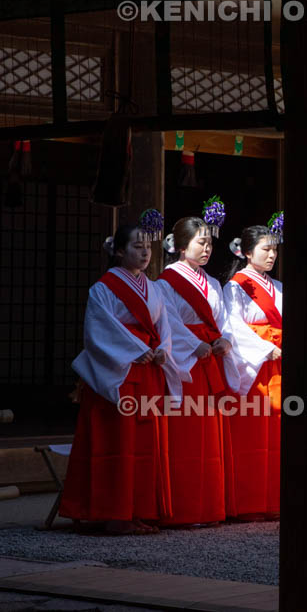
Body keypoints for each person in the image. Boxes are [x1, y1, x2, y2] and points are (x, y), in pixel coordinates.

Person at [60, 211, 184, 535]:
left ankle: (139, 510)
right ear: (118, 251)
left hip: (148, 370)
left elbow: (164, 327)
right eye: (136, 247)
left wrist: (163, 350)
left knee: (144, 446)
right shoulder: (103, 288)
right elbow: (99, 331)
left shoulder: (153, 288)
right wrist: (136, 350)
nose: (144, 253)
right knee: (117, 443)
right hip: (119, 372)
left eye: (148, 248)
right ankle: (113, 513)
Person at [157, 214, 250, 526]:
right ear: (182, 246)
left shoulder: (211, 283)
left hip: (209, 360)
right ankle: (183, 509)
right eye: (201, 242)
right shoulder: (166, 281)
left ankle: (209, 507)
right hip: (186, 364)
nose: (208, 248)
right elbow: (167, 320)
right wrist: (191, 343)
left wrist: (224, 339)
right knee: (185, 437)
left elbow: (222, 320)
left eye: (210, 243)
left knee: (210, 438)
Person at [222, 215, 284, 521]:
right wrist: (264, 348)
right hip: (255, 365)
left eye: (274, 250)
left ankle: (274, 500)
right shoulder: (235, 287)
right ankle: (248, 503)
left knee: (279, 435)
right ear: (247, 252)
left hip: (279, 363)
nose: (271, 255)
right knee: (253, 436)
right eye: (265, 250)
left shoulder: (280, 287)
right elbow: (232, 325)